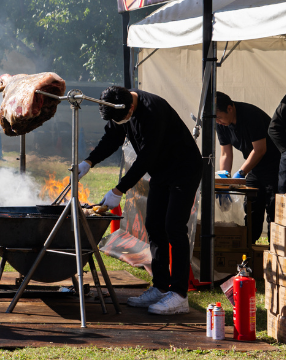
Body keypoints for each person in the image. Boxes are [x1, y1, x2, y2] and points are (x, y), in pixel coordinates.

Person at [78, 85, 202, 315]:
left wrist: (119, 190)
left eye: (123, 118)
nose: (121, 123)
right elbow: (111, 138)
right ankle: (161, 286)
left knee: (174, 227)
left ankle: (179, 295)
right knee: (154, 226)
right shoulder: (119, 106)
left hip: (184, 169)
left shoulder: (152, 112)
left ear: (132, 107)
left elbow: (145, 158)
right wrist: (89, 162)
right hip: (162, 172)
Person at [214, 91, 279, 243]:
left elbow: (260, 149)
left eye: (218, 117)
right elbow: (225, 154)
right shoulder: (221, 123)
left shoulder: (250, 115)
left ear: (230, 108)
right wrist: (224, 178)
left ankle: (273, 251)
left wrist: (241, 172)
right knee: (252, 209)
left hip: (273, 166)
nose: (218, 122)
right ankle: (248, 250)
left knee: (273, 209)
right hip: (255, 168)